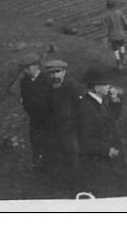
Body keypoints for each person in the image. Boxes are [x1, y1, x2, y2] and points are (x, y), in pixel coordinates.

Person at [76, 67, 125, 196]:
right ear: (96, 87)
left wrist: (115, 100)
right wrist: (106, 150)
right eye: (106, 84)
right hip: (96, 162)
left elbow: (111, 120)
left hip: (106, 158)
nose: (110, 87)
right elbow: (84, 139)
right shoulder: (87, 108)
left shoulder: (98, 102)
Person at [41, 59, 82, 190]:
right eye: (52, 74)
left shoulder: (72, 87)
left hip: (70, 129)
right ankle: (58, 186)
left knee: (72, 156)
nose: (55, 76)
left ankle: (75, 185)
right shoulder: (47, 88)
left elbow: (80, 109)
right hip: (53, 129)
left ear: (64, 72)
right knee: (56, 157)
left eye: (58, 72)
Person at [18, 53, 52, 171]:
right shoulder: (25, 82)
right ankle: (38, 166)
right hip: (34, 119)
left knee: (49, 142)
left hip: (48, 119)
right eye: (24, 68)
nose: (26, 70)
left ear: (36, 66)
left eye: (28, 67)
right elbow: (25, 100)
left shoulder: (47, 80)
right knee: (35, 141)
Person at [102, 0, 127, 70]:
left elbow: (106, 26)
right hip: (121, 33)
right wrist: (125, 28)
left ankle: (118, 64)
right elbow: (126, 23)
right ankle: (123, 59)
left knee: (115, 50)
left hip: (113, 35)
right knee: (122, 46)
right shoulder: (119, 12)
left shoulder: (106, 15)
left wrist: (106, 36)